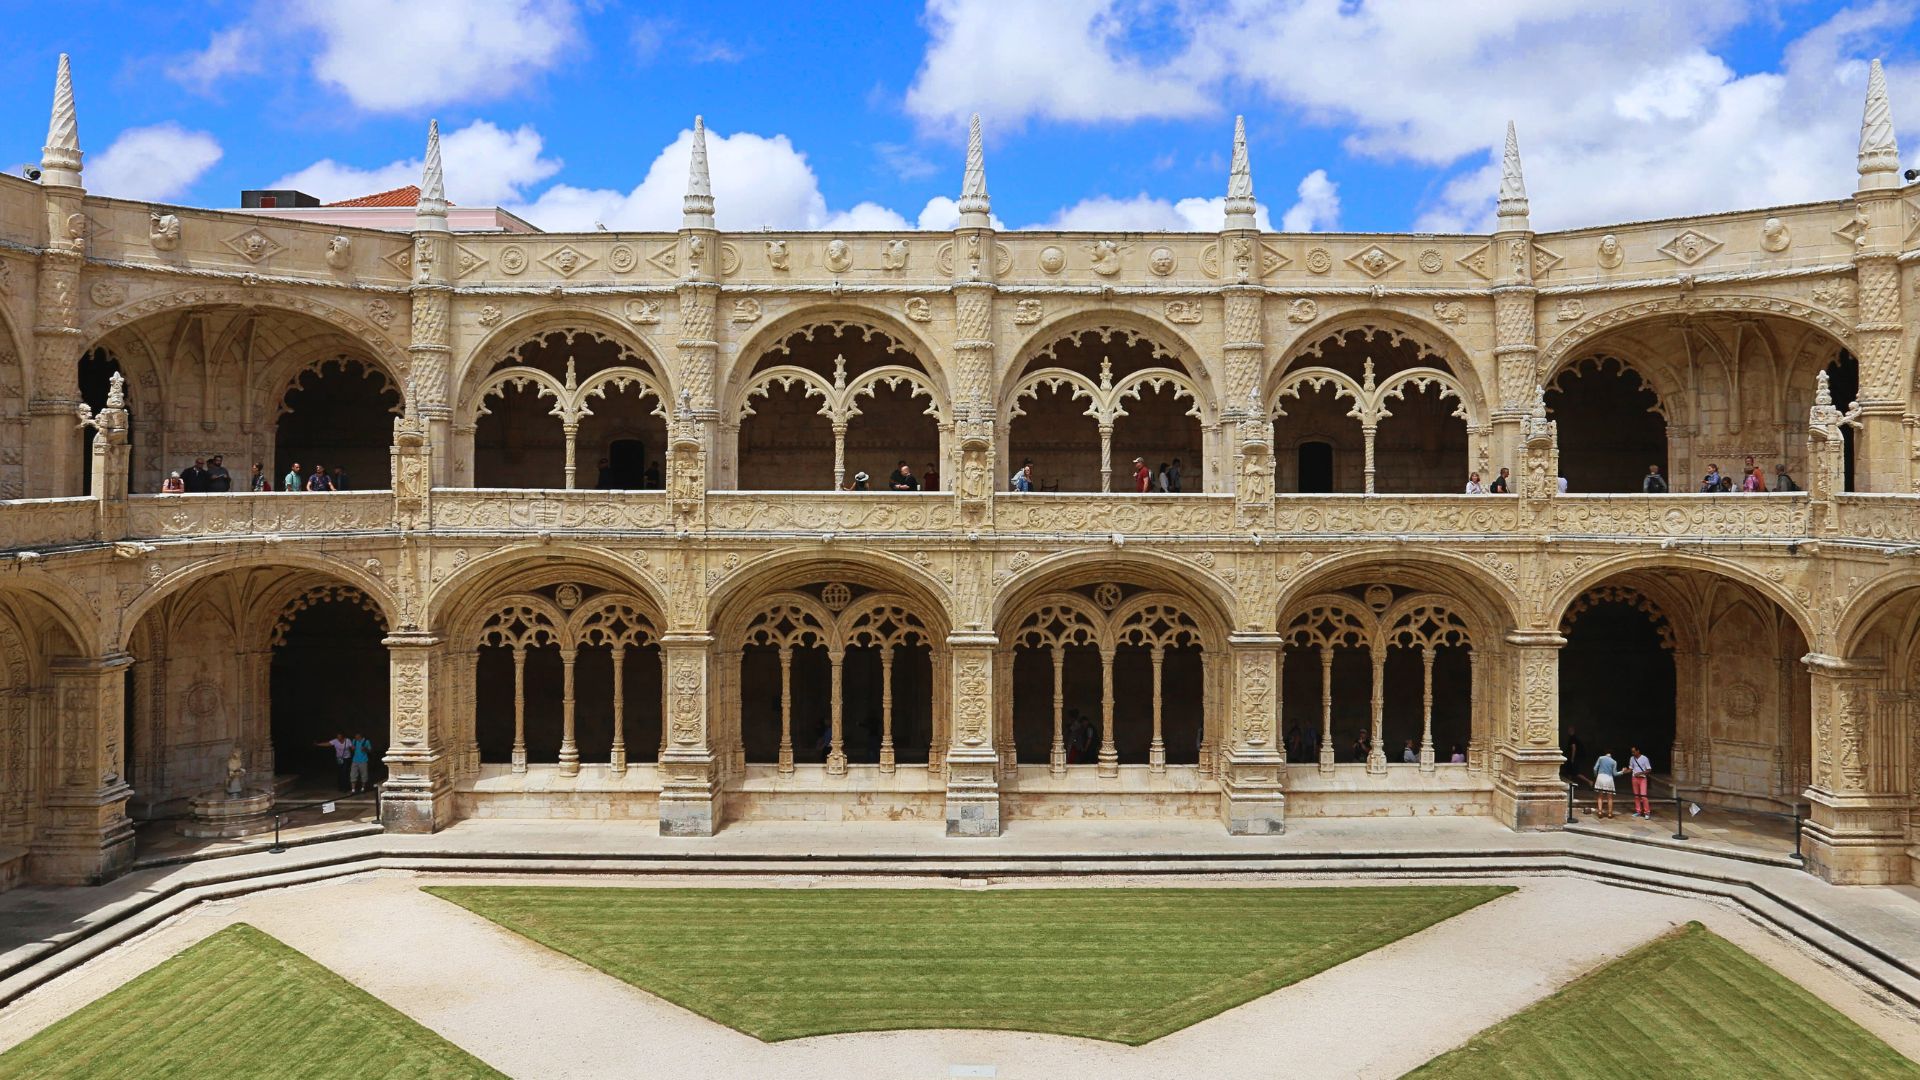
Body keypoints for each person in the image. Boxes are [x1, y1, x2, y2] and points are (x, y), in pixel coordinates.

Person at [1592, 748, 1621, 818]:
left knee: (1600, 796)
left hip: (1600, 777)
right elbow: (1615, 774)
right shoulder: (1614, 761)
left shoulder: (1601, 758)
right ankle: (1610, 813)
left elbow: (1595, 768)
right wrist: (1622, 772)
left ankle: (1599, 811)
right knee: (1610, 797)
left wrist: (1596, 775)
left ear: (1605, 752)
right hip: (1609, 778)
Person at [1626, 745, 1653, 818]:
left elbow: (1649, 769)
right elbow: (1630, 769)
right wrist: (1624, 771)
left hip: (1642, 779)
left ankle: (1647, 812)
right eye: (1632, 752)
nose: (1633, 753)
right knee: (1636, 796)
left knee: (1643, 795)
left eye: (1634, 752)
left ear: (1638, 751)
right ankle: (1638, 811)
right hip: (1634, 778)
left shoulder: (1644, 758)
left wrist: (1640, 773)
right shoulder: (1632, 758)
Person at [348, 730, 374, 795]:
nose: (356, 738)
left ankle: (363, 788)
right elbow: (352, 748)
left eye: (357, 737)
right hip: (355, 760)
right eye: (355, 737)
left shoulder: (366, 741)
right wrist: (352, 748)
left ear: (361, 737)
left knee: (364, 775)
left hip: (363, 760)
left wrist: (365, 749)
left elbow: (370, 750)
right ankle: (353, 790)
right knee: (352, 774)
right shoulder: (354, 741)